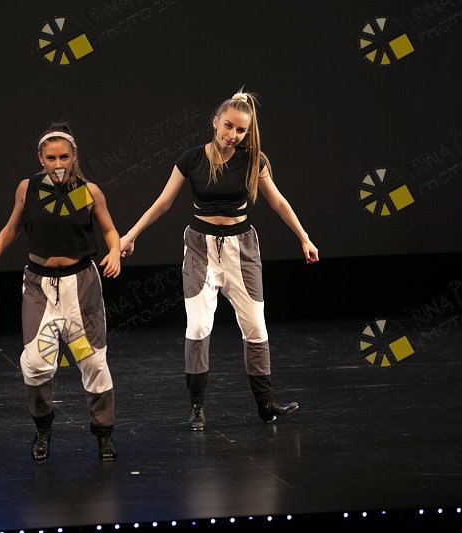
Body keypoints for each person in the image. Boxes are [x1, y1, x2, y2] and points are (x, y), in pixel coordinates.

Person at [119, 89, 319, 431]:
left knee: (255, 326)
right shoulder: (192, 159)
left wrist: (304, 237)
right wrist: (131, 234)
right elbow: (162, 203)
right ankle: (197, 407)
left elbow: (279, 202)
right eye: (228, 126)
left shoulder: (253, 160)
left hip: (242, 249)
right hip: (200, 248)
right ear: (215, 122)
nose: (233, 134)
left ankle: (265, 404)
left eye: (241, 130)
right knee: (198, 327)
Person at [0, 123, 122, 462]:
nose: (58, 164)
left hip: (80, 286)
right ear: (40, 158)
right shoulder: (28, 189)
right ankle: (43, 428)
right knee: (35, 363)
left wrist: (115, 251)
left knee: (91, 360)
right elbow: (11, 229)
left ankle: (103, 432)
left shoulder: (86, 192)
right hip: (39, 287)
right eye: (51, 158)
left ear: (74, 156)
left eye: (64, 157)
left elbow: (109, 230)